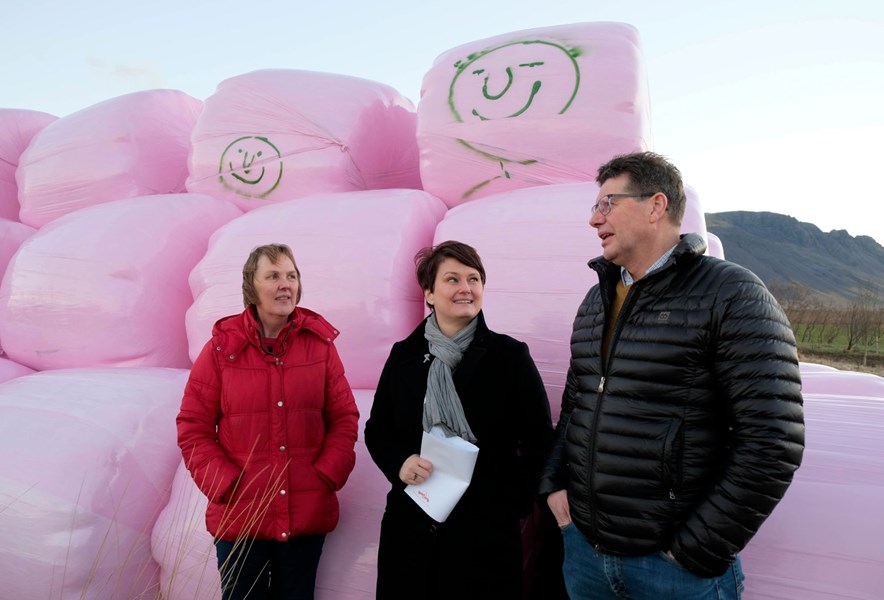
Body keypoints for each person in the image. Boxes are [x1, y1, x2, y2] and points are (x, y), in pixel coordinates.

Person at [540, 152, 805, 599]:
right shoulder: (596, 299)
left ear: (656, 205)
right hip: (586, 553)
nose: (593, 219)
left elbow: (773, 439)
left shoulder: (731, 293)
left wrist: (696, 549)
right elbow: (576, 404)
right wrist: (554, 485)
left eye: (607, 204)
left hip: (674, 571)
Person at [365, 240, 555, 599]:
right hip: (412, 529)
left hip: (484, 534)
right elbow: (379, 429)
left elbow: (539, 440)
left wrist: (509, 504)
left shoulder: (509, 357)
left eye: (474, 279)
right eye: (452, 279)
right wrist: (399, 464)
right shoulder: (404, 355)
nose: (466, 288)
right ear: (429, 293)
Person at [177, 243, 359, 600]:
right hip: (240, 518)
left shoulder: (319, 346)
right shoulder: (221, 349)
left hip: (305, 510)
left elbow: (344, 418)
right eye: (273, 276)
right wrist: (228, 486)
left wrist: (325, 475)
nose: (285, 285)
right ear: (252, 286)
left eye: (291, 276)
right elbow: (193, 427)